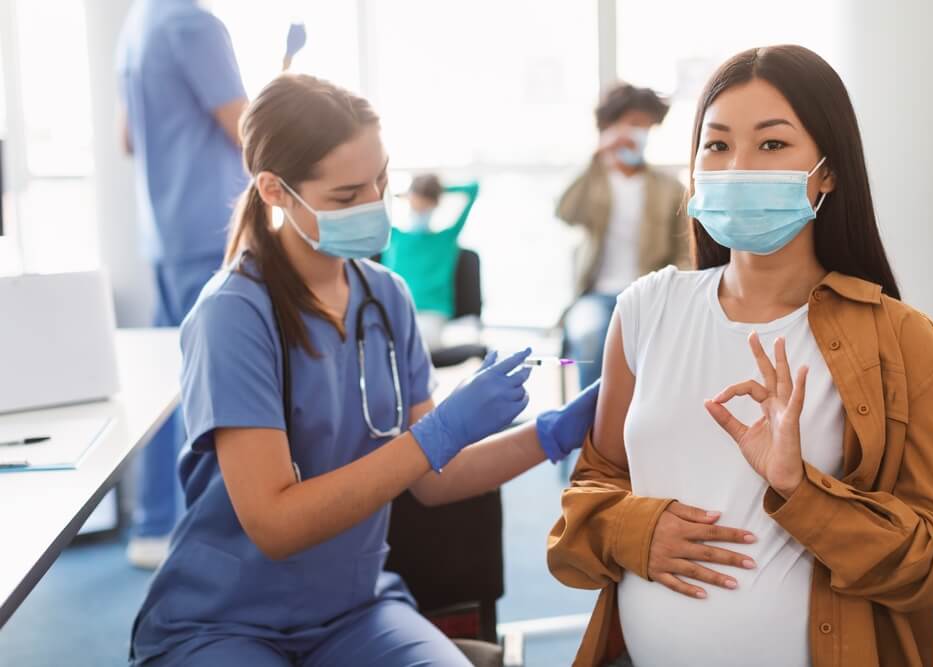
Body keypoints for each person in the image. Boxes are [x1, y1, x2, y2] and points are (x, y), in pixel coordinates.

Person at [129, 73, 600, 666]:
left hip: (354, 611)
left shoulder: (386, 297)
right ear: (275, 191)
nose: (374, 206)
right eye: (347, 197)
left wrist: (554, 432)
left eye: (381, 180)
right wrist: (438, 434)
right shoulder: (233, 316)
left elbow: (434, 479)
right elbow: (274, 524)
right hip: (226, 620)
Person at [547, 45, 933, 667]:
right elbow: (592, 487)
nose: (737, 168)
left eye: (773, 145)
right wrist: (632, 529)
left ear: (829, 172)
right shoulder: (646, 309)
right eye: (717, 145)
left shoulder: (907, 345)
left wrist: (798, 488)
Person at [116, 1, 306, 569]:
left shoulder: (137, 26)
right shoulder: (194, 23)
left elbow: (130, 139)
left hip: (164, 233)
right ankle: (222, 539)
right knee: (226, 386)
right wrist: (290, 66)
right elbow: (251, 132)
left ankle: (153, 524)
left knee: (166, 388)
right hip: (209, 229)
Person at [556, 83, 689, 388]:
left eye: (645, 126)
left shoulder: (669, 188)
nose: (638, 132)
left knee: (666, 351)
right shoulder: (594, 182)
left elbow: (685, 249)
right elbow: (565, 212)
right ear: (610, 127)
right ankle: (590, 427)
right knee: (590, 339)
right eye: (631, 123)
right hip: (596, 297)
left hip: (651, 295)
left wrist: (676, 291)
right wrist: (595, 158)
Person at [380, 174, 480, 350]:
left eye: (425, 204)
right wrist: (411, 192)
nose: (420, 209)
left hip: (432, 313)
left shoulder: (446, 239)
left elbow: (473, 188)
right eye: (416, 202)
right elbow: (380, 198)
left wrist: (436, 190)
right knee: (382, 341)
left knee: (415, 342)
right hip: (396, 310)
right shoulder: (393, 236)